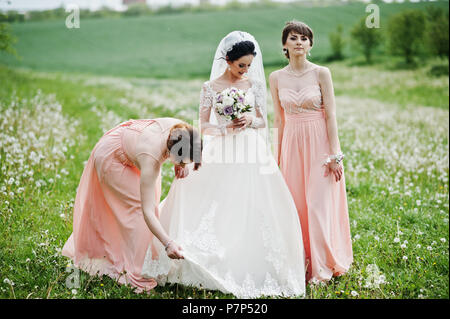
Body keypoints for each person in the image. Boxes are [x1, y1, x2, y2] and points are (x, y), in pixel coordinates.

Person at [141, 31, 306, 299]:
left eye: (249, 66)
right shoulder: (210, 87)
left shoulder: (252, 85)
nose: (245, 70)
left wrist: (248, 121)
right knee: (210, 197)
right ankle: (201, 253)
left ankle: (248, 261)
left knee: (251, 202)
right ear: (228, 61)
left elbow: (263, 120)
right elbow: (203, 124)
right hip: (221, 145)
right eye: (241, 65)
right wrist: (225, 128)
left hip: (250, 149)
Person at [62, 118, 202, 293]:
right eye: (181, 160)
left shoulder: (181, 130)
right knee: (138, 210)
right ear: (171, 151)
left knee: (151, 198)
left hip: (130, 143)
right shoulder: (151, 159)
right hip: (111, 158)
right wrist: (168, 244)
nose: (183, 165)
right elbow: (147, 213)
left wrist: (178, 162)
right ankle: (136, 276)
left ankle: (143, 255)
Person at [269, 21, 353, 283]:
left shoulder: (321, 73)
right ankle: (302, 261)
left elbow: (331, 115)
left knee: (318, 204)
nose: (299, 42)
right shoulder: (275, 77)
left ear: (310, 45)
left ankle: (323, 266)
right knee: (297, 205)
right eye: (293, 38)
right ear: (284, 44)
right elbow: (278, 120)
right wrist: (277, 155)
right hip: (292, 144)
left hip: (319, 143)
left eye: (304, 39)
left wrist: (335, 154)